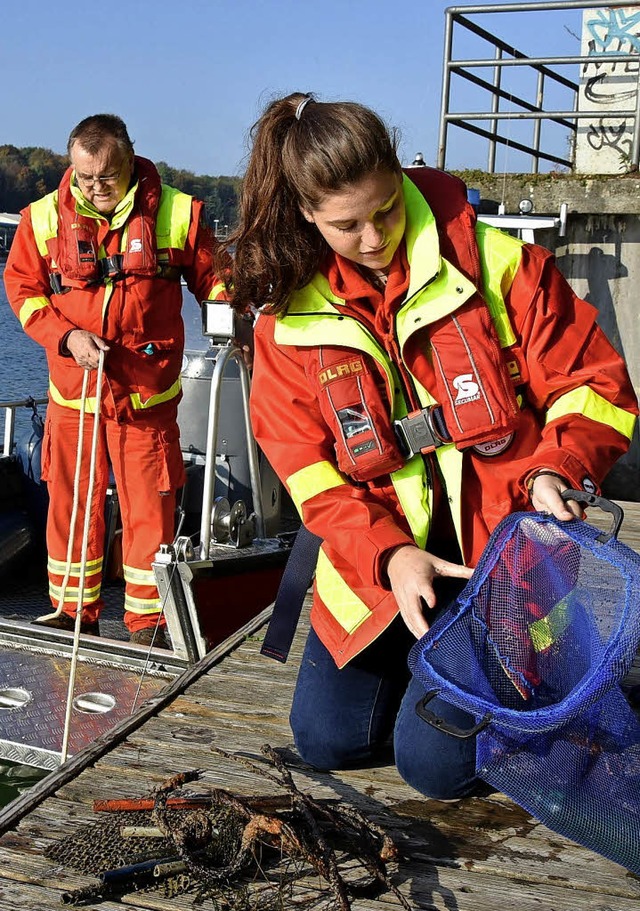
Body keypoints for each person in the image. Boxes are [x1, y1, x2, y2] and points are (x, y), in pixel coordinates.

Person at [225, 92, 638, 799]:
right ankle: (447, 675)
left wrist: (557, 466)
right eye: (346, 225)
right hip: (379, 569)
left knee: (435, 768)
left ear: (402, 177)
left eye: (386, 208)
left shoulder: (501, 265)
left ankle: (504, 685)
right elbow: (310, 474)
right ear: (305, 215)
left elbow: (593, 383)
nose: (375, 236)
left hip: (501, 570)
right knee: (326, 741)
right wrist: (389, 554)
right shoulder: (285, 323)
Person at [4, 114, 227, 649]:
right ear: (71, 167)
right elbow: (23, 291)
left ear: (130, 159)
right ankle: (71, 612)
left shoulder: (178, 213)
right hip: (74, 394)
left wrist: (226, 317)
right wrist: (65, 337)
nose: (96, 188)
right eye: (84, 178)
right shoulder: (41, 219)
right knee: (69, 501)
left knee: (150, 506)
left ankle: (148, 626)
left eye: (107, 176)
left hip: (146, 395)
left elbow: (215, 278)